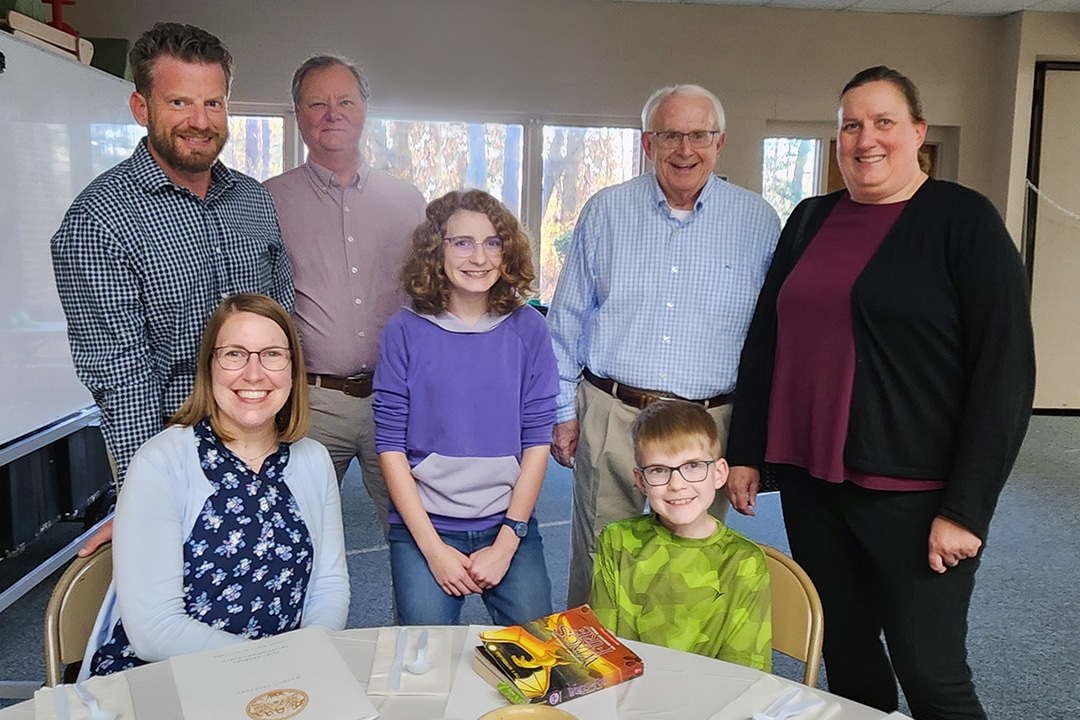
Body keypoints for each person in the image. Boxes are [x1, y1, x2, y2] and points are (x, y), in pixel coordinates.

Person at [726, 66, 1035, 720]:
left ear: (917, 132)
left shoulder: (963, 221)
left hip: (916, 494)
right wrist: (748, 450)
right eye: (850, 125)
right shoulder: (810, 219)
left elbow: (1005, 375)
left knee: (932, 675)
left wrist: (968, 507)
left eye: (883, 122)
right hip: (815, 483)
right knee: (850, 660)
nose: (866, 139)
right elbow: (766, 341)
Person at [51, 22, 294, 554]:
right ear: (142, 108)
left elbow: (283, 316)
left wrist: (285, 427)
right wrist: (147, 494)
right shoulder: (101, 220)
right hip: (175, 445)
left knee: (282, 590)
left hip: (264, 436)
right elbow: (121, 373)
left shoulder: (252, 200)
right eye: (180, 102)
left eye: (213, 103)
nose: (200, 122)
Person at [546, 84, 781, 606]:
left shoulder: (758, 222)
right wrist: (563, 411)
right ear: (648, 143)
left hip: (708, 426)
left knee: (689, 574)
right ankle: (594, 679)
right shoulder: (606, 211)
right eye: (670, 135)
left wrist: (751, 445)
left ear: (720, 143)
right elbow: (565, 322)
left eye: (699, 135)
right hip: (614, 416)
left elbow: (770, 345)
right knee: (601, 563)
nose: (685, 149)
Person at [84, 294, 348, 676]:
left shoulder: (313, 460)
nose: (254, 374)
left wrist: (308, 659)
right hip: (166, 680)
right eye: (234, 354)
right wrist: (273, 665)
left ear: (293, 369)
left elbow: (328, 586)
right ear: (209, 366)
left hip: (283, 679)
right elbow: (154, 631)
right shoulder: (161, 462)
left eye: (273, 354)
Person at [373, 189, 557, 625]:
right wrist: (434, 552)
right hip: (426, 528)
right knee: (423, 663)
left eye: (493, 242)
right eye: (462, 242)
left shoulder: (529, 328)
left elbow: (537, 443)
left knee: (540, 653)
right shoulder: (404, 329)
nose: (479, 257)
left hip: (508, 524)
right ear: (436, 251)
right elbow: (390, 446)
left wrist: (509, 540)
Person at [264, 56, 424, 535]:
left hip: (396, 398)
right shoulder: (267, 199)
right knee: (296, 532)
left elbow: (429, 298)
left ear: (364, 110)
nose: (332, 113)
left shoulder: (407, 200)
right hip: (311, 402)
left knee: (410, 533)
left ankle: (412, 617)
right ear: (298, 113)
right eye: (318, 103)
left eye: (345, 101)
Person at [589, 400, 771, 670]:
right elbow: (602, 647)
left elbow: (745, 671)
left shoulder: (745, 561)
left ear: (719, 473)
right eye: (659, 470)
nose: (677, 484)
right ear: (641, 481)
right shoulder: (617, 541)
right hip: (628, 699)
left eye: (693, 466)